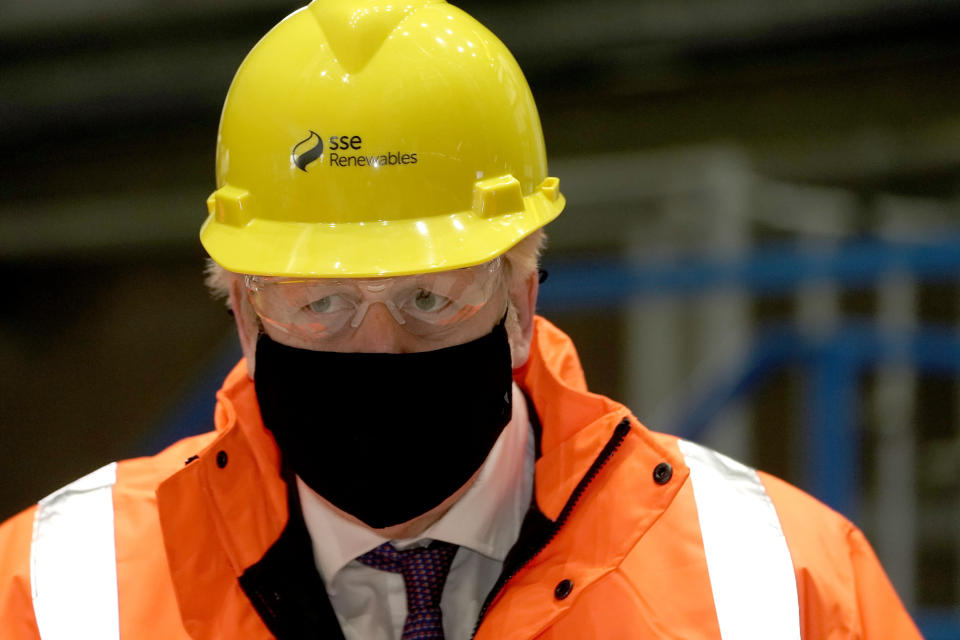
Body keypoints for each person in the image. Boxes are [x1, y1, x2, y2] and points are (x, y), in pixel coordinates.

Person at [0, 1, 922, 638]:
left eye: (430, 298)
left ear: (521, 301)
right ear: (245, 314)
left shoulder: (775, 584)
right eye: (320, 303)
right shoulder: (55, 596)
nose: (378, 345)